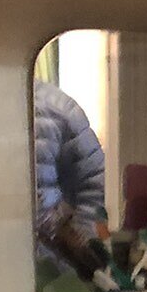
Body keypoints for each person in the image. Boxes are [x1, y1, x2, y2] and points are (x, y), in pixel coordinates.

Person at [34, 79, 106, 222]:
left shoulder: (57, 108)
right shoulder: (59, 108)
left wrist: (80, 231)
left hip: (53, 232)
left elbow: (95, 184)